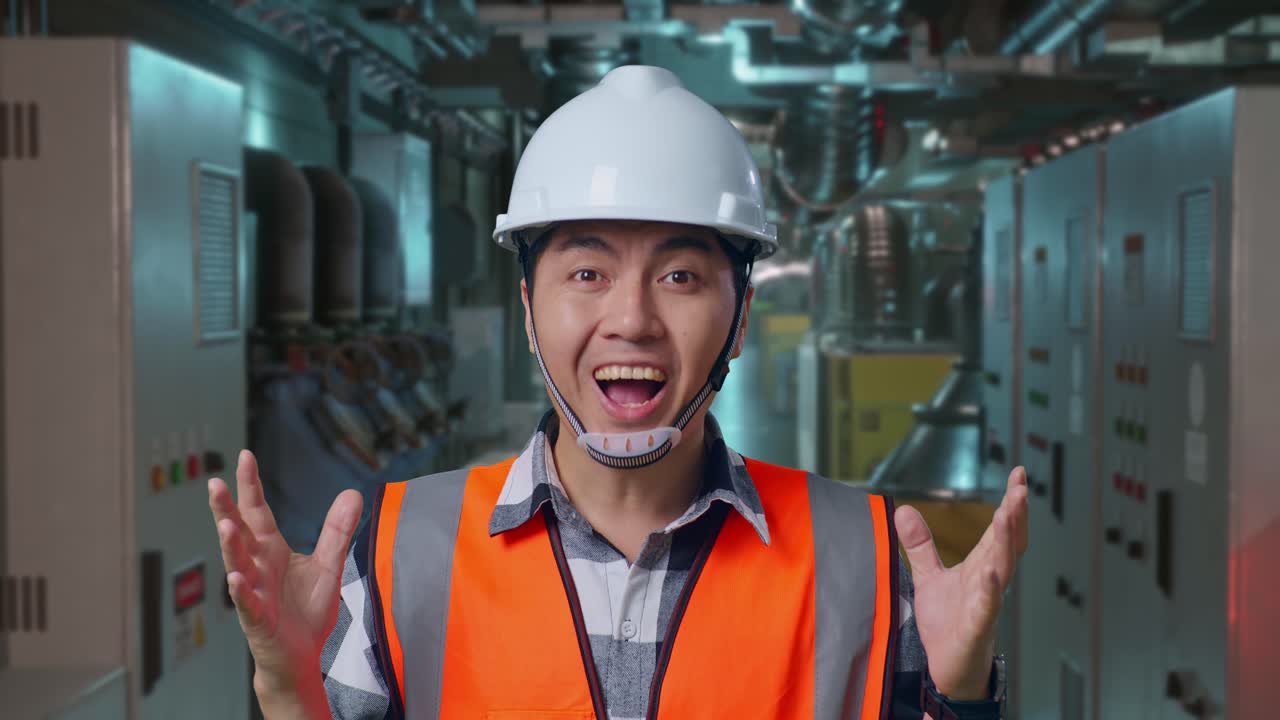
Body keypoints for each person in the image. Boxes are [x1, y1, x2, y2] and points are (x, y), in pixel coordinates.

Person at [209, 65, 1028, 720]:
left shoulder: (865, 559)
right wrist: (289, 690)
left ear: (740, 318)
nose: (631, 319)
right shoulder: (396, 556)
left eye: (679, 275)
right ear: (529, 313)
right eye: (588, 273)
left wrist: (959, 700)